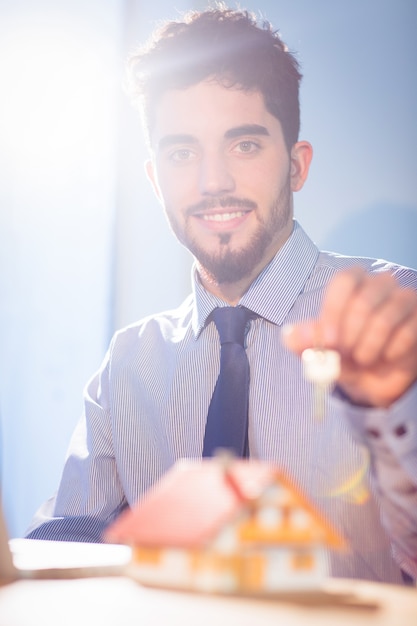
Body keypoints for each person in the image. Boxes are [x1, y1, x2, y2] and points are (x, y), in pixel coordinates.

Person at [26, 6, 417, 584]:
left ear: (295, 165)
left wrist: (390, 407)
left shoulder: (400, 314)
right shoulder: (130, 362)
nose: (213, 182)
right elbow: (74, 546)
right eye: (182, 153)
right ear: (156, 178)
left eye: (244, 146)